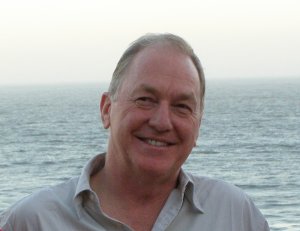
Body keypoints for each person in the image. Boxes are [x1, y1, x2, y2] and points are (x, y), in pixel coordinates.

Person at [0, 33, 269, 231]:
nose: (162, 121)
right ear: (107, 109)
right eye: (145, 99)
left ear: (197, 126)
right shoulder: (32, 221)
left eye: (182, 106)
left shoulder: (235, 214)